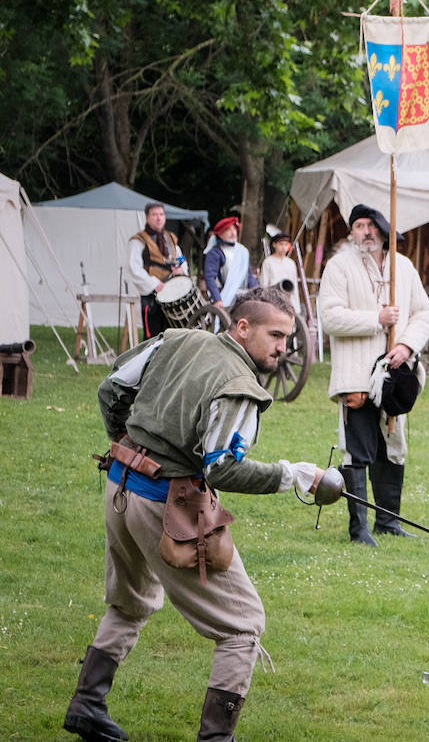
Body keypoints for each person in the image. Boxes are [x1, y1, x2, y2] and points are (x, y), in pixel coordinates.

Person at [63, 286, 326, 742]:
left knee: (131, 603)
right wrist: (291, 476)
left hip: (119, 487)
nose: (284, 347)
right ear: (242, 328)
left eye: (287, 337)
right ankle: (215, 739)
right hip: (165, 508)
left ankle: (87, 705)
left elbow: (112, 388)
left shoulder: (177, 339)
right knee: (243, 625)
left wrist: (129, 442)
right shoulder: (238, 386)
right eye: (275, 335)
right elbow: (221, 467)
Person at [318, 204, 429, 546]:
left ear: (383, 231)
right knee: (358, 449)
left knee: (393, 447)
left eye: (371, 225)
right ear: (352, 232)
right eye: (358, 226)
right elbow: (330, 317)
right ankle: (360, 530)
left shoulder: (404, 266)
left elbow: (423, 312)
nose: (365, 231)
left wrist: (407, 346)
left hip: (394, 371)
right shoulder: (339, 266)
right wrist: (376, 318)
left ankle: (388, 522)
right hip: (356, 374)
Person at [127, 202, 187, 338]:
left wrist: (181, 270)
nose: (159, 218)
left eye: (161, 214)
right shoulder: (138, 241)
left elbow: (180, 259)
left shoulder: (170, 238)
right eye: (154, 215)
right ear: (147, 218)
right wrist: (154, 283)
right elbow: (134, 267)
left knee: (171, 335)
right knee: (152, 337)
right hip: (152, 297)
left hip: (172, 294)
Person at [203, 216, 259, 308]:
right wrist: (217, 299)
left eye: (234, 229)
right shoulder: (215, 253)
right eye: (228, 230)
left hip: (244, 296)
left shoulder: (242, 251)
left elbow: (249, 276)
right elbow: (210, 277)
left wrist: (257, 291)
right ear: (220, 234)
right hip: (224, 295)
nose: (233, 233)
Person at [259, 231, 302, 314]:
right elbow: (264, 284)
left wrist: (296, 307)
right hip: (273, 299)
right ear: (274, 245)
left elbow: (294, 286)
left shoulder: (291, 263)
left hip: (288, 299)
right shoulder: (268, 262)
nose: (283, 247)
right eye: (281, 244)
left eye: (286, 244)